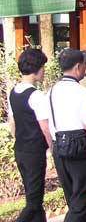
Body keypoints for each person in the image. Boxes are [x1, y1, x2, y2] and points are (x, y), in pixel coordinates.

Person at [49, 49, 86, 222]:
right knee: (81, 199)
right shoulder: (81, 92)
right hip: (79, 144)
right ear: (78, 67)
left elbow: (46, 122)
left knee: (72, 197)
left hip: (59, 144)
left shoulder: (52, 91)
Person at [8, 48, 52, 222]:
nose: (44, 71)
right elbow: (45, 128)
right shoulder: (36, 95)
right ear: (36, 69)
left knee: (33, 196)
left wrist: (20, 139)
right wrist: (51, 148)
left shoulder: (13, 92)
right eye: (43, 67)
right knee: (34, 201)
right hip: (35, 151)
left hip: (20, 149)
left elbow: (13, 123)